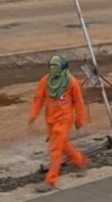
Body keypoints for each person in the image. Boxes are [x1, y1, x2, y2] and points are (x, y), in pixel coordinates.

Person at [29, 54, 89, 191]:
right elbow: (38, 99)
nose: (53, 69)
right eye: (51, 66)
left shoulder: (71, 83)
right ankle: (79, 162)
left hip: (63, 120)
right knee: (62, 146)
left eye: (56, 67)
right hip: (50, 120)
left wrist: (79, 120)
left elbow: (79, 102)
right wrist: (33, 114)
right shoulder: (45, 81)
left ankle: (50, 181)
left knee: (55, 150)